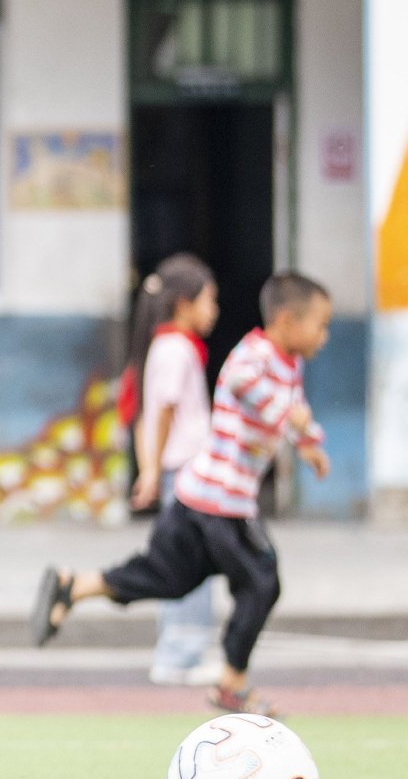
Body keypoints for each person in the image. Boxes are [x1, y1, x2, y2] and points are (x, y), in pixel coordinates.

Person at [32, 272, 333, 716]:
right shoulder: (252, 355)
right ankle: (232, 686)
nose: (324, 336)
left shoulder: (291, 365)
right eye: (320, 325)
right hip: (219, 502)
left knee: (167, 578)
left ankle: (74, 586)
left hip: (200, 496)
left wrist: (309, 445)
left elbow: (291, 416)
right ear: (288, 321)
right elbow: (244, 386)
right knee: (261, 581)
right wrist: (294, 418)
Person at [123, 254, 220, 686]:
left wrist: (149, 468)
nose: (214, 310)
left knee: (189, 559)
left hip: (181, 468)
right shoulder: (175, 349)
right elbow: (159, 412)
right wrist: (153, 469)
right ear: (184, 303)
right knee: (191, 562)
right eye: (209, 300)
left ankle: (181, 649)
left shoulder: (168, 347)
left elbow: (149, 413)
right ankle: (181, 653)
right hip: (184, 469)